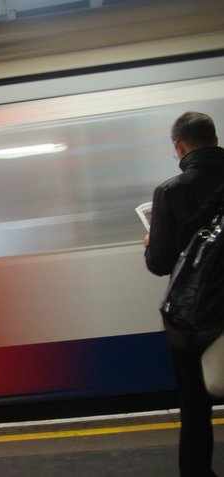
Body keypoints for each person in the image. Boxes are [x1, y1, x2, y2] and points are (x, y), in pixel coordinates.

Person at [145, 112, 224, 477]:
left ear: (179, 146)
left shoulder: (170, 192)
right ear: (215, 138)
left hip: (195, 318)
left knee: (195, 407)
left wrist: (152, 241)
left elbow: (159, 263)